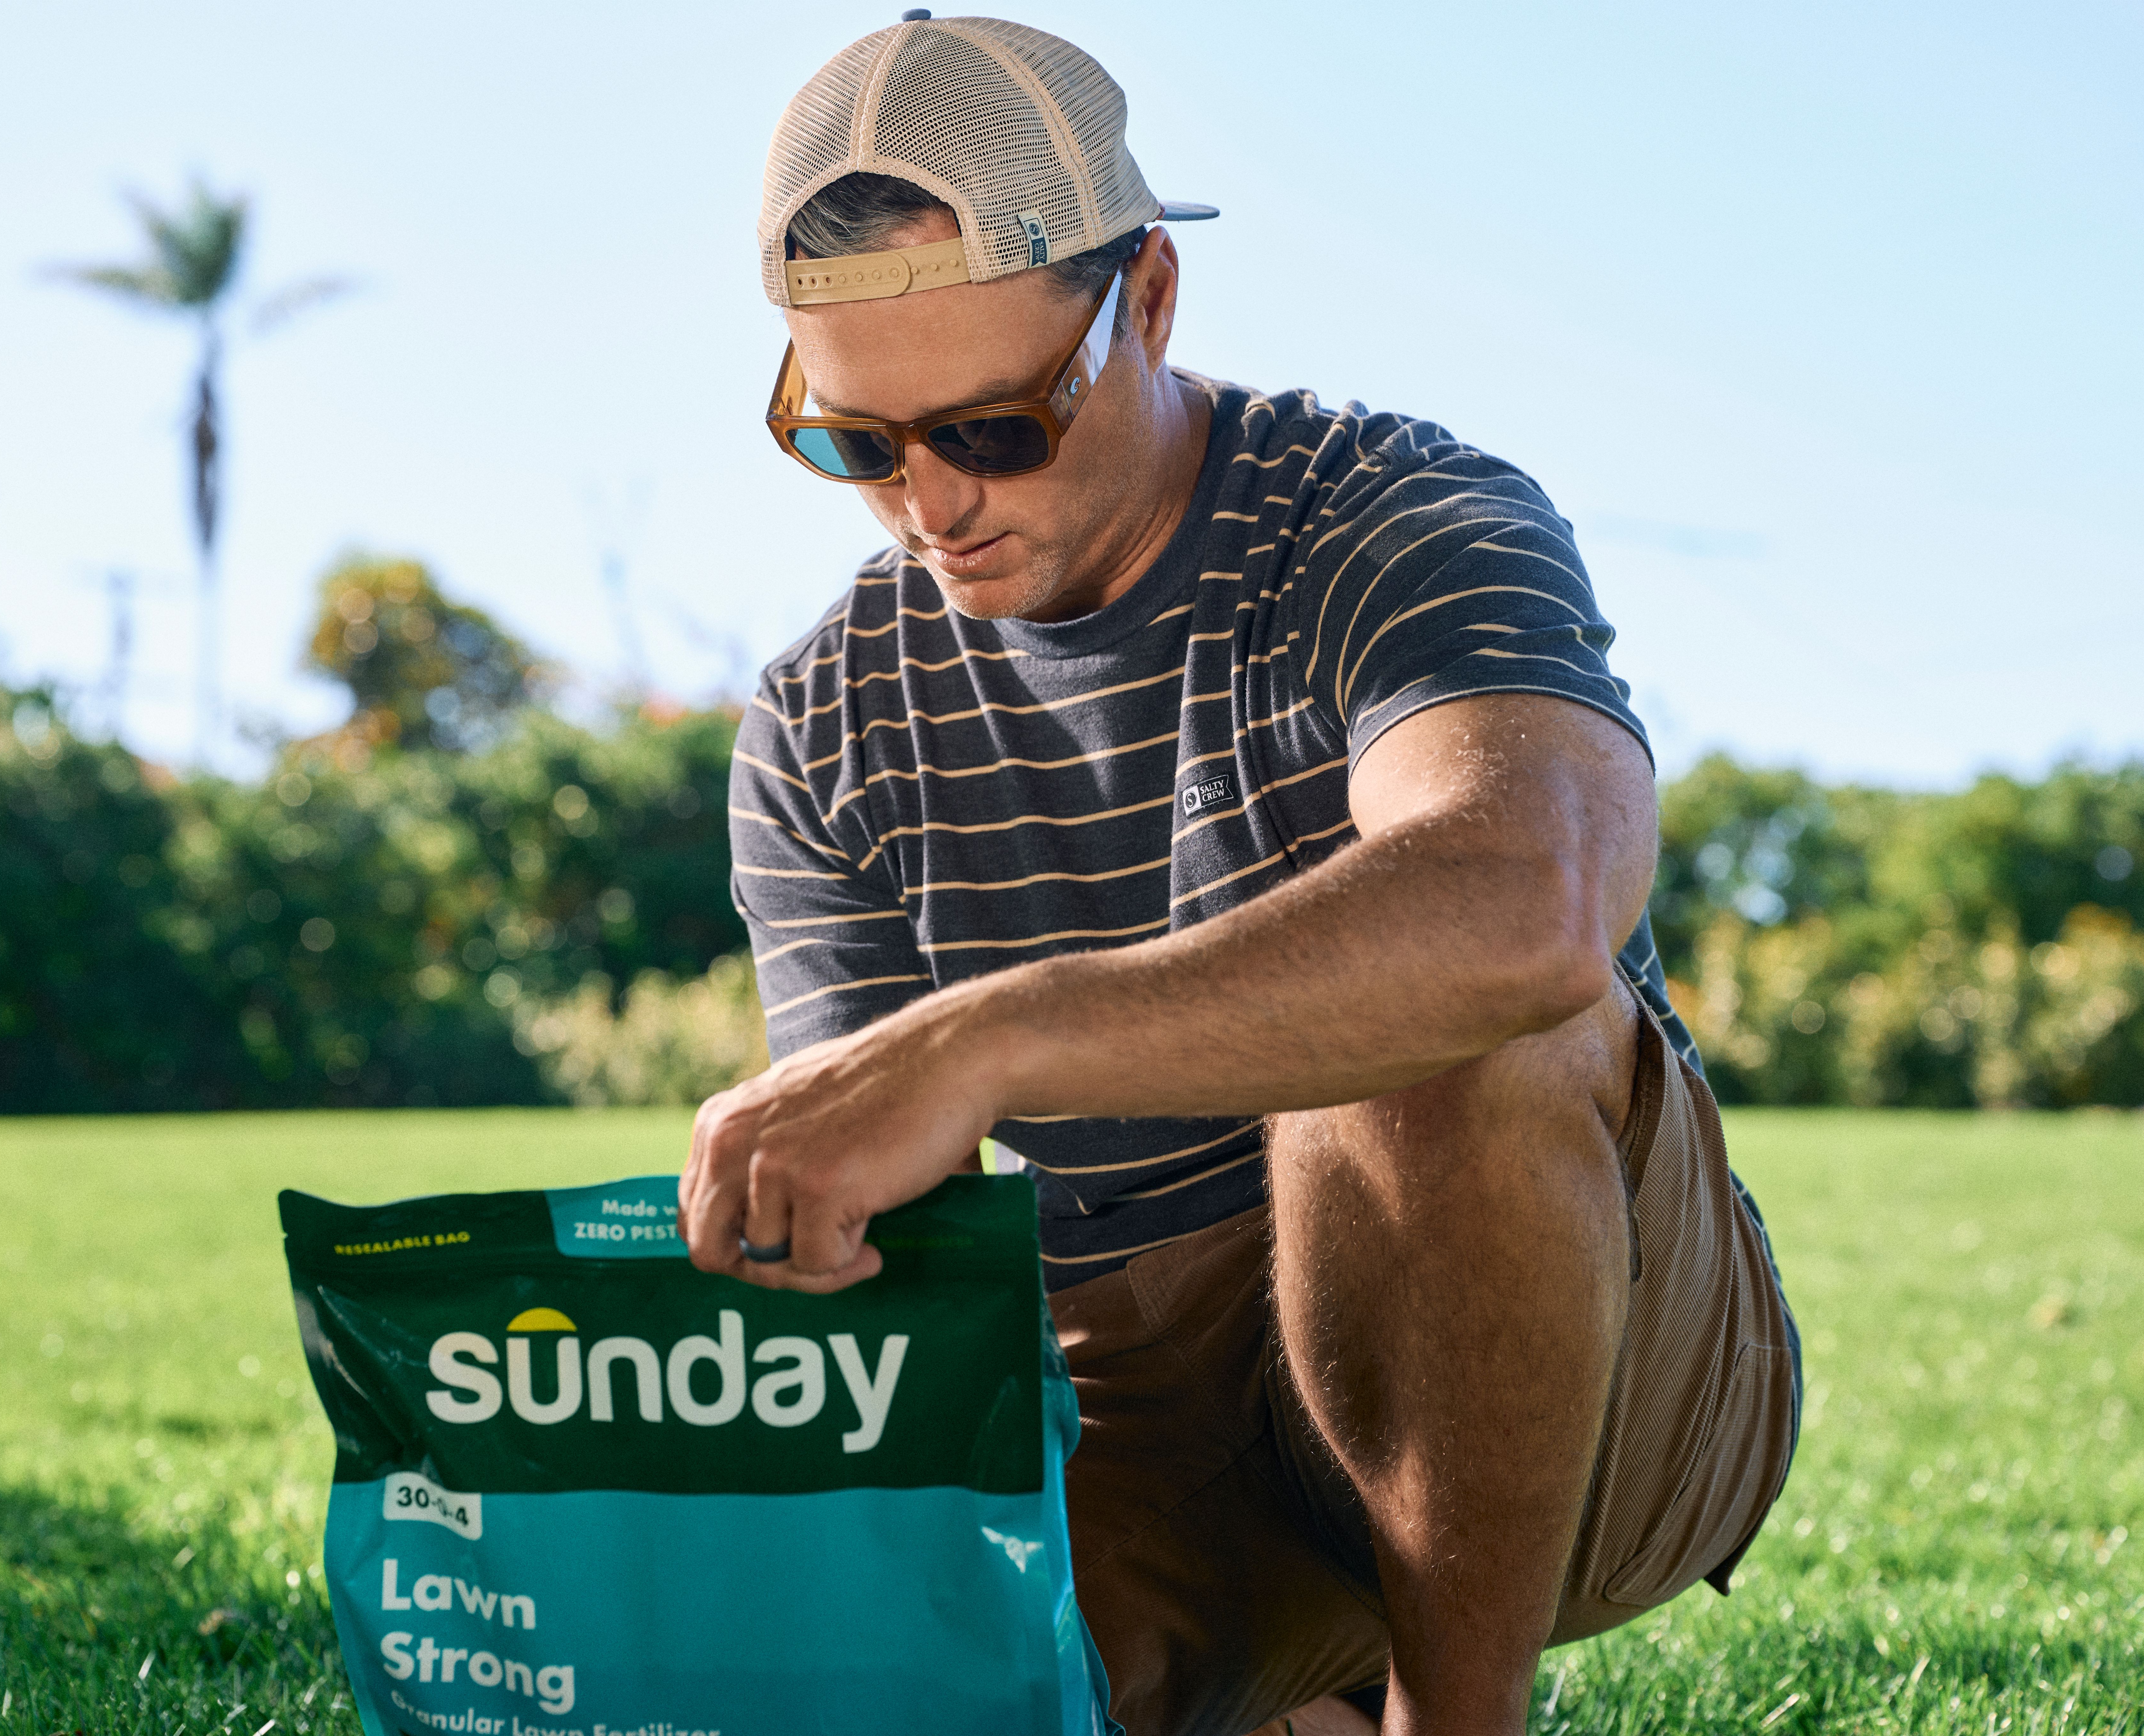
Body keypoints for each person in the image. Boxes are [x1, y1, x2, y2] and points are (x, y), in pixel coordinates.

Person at [676, 15, 1800, 1735]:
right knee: (945, 1689)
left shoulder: (1389, 513)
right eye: (855, 443)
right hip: (1139, 1403)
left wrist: (988, 1037)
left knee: (1443, 1016)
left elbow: (1535, 905)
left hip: (1578, 1360)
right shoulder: (823, 720)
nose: (928, 507)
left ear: (1152, 303)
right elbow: (902, 1254)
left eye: (995, 424)